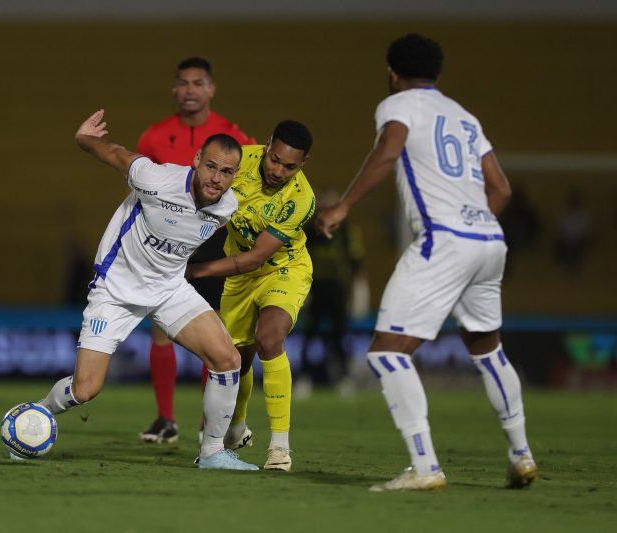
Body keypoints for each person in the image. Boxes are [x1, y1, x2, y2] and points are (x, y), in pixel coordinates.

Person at [316, 33, 537, 491]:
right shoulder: (465, 117)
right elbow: (502, 190)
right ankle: (521, 455)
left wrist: (343, 206)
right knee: (487, 348)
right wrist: (472, 224)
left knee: (385, 352)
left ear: (393, 73)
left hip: (445, 240)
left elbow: (389, 150)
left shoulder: (397, 106)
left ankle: (424, 466)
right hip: (488, 240)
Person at [31, 109, 257, 470]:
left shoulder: (226, 207)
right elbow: (117, 154)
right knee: (86, 389)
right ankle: (36, 415)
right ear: (196, 160)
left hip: (168, 289)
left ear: (235, 175)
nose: (216, 178)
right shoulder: (157, 178)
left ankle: (213, 453)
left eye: (227, 172)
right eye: (211, 166)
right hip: (116, 290)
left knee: (227, 359)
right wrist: (84, 139)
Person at [136, 57, 256, 444]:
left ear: (211, 89)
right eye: (183, 83)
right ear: (175, 89)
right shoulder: (154, 136)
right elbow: (138, 191)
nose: (190, 90)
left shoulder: (232, 135)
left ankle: (209, 421)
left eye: (197, 83)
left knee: (214, 333)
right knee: (159, 331)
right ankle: (165, 418)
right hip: (166, 245)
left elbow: (250, 188)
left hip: (214, 243)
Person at [188, 120, 315, 471]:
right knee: (236, 357)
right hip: (239, 279)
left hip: (282, 269)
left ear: (302, 165)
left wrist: (195, 270)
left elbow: (256, 258)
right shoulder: (238, 162)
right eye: (275, 159)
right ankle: (237, 426)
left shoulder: (301, 200)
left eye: (290, 166)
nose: (278, 171)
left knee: (269, 338)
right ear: (268, 144)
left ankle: (280, 448)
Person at [295, 188, 366, 399]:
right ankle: (304, 378)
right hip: (315, 289)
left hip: (337, 290)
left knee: (338, 335)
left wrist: (359, 291)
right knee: (309, 335)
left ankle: (343, 378)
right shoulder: (310, 230)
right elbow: (300, 260)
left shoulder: (347, 231)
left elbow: (356, 262)